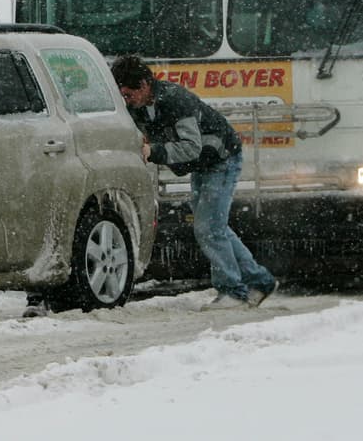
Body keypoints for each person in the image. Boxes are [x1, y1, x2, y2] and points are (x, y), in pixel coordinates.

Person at [111, 55, 278, 310]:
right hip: (205, 163)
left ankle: (233, 292)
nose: (127, 100)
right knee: (215, 226)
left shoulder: (175, 101)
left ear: (145, 84)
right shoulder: (140, 105)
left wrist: (154, 152)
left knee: (208, 228)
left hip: (221, 159)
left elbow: (191, 147)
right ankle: (259, 281)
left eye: (129, 93)